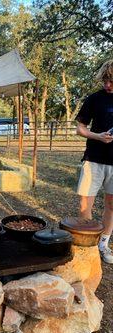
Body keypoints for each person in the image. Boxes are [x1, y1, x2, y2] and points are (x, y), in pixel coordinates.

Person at [76, 59, 113, 263]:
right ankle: (86, 243)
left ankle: (103, 244)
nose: (108, 85)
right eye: (105, 80)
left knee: (111, 204)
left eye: (111, 81)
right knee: (85, 203)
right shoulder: (94, 99)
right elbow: (80, 128)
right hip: (94, 160)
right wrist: (98, 136)